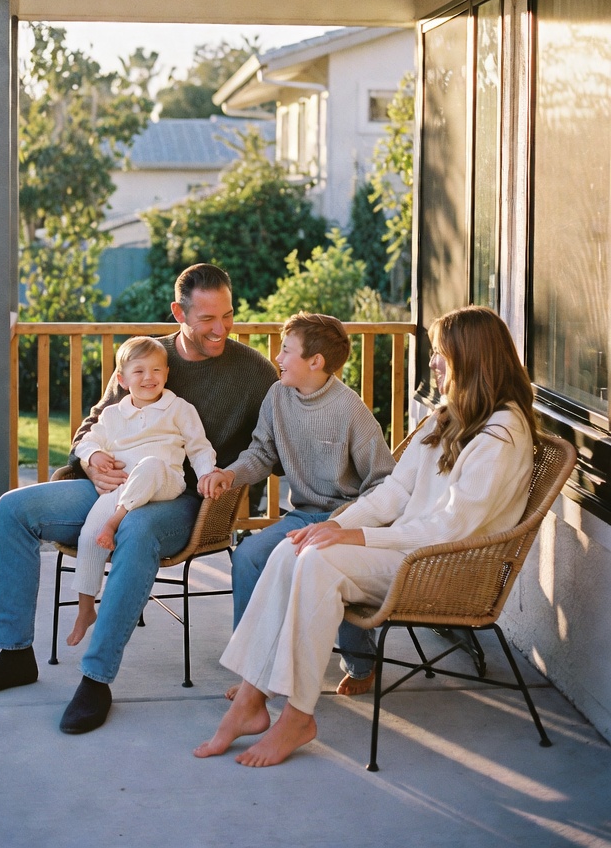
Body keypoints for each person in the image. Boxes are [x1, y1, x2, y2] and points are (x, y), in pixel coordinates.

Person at [194, 306, 539, 768]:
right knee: (292, 548)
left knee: (318, 561)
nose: (433, 362)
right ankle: (249, 704)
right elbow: (395, 489)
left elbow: (452, 527)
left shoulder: (502, 434)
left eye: (441, 354)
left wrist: (360, 538)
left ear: (473, 359)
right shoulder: (449, 417)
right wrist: (339, 524)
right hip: (407, 550)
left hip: (441, 564)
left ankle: (297, 717)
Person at [0, 263, 277, 735]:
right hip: (111, 485)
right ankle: (14, 654)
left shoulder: (250, 370)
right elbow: (93, 425)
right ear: (178, 313)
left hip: (183, 499)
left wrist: (236, 473)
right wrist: (92, 462)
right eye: (207, 319)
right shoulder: (144, 358)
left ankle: (96, 678)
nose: (221, 328)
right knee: (13, 508)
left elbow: (277, 437)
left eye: (227, 315)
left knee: (138, 529)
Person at [201, 311, 394, 697]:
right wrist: (230, 474)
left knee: (322, 560)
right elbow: (260, 453)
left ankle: (361, 664)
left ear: (315, 362)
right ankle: (254, 670)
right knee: (249, 555)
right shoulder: (278, 396)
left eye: (286, 350)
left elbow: (384, 480)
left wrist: (345, 524)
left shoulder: (349, 410)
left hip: (346, 517)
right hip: (303, 514)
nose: (278, 357)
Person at [66, 335, 216, 647]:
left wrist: (206, 475)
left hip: (164, 481)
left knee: (149, 465)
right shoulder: (112, 414)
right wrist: (92, 456)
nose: (149, 378)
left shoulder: (178, 408)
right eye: (139, 371)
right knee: (90, 535)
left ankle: (115, 521)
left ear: (166, 373)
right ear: (121, 379)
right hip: (120, 488)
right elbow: (88, 441)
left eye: (157, 370)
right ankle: (85, 609)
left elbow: (199, 448)